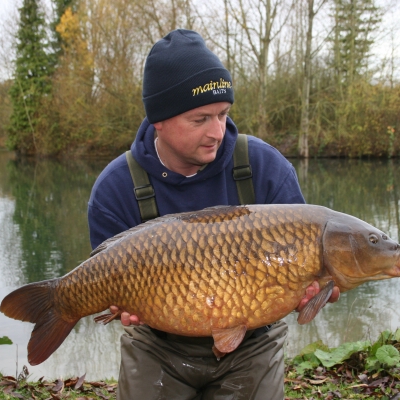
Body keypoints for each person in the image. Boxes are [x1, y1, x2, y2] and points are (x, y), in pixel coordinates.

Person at [87, 29, 339, 400]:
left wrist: (314, 289)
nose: (217, 132)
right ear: (159, 120)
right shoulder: (115, 188)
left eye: (223, 114)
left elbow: (306, 275)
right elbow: (105, 279)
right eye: (200, 119)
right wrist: (119, 304)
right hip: (158, 343)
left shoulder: (265, 167)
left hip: (253, 340)